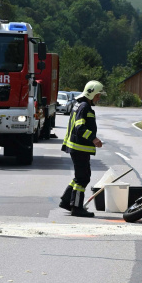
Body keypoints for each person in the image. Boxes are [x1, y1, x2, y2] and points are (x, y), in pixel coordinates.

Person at [58, 80, 104, 218]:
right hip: (79, 148)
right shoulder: (84, 107)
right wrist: (94, 139)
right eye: (98, 95)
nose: (99, 98)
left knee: (80, 176)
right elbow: (80, 128)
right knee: (82, 178)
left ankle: (67, 201)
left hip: (78, 148)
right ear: (91, 94)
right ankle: (77, 208)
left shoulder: (81, 104)